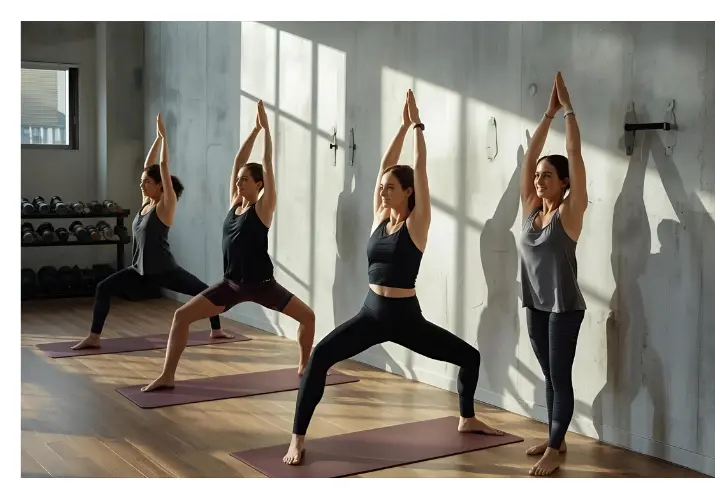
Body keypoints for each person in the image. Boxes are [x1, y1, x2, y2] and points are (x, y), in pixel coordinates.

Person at [282, 89, 504, 466]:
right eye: (382, 186)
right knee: (320, 356)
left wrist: (418, 127)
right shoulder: (380, 216)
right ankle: (297, 439)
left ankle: (466, 418)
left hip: (406, 319)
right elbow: (385, 164)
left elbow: (420, 168)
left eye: (390, 187)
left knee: (470, 357)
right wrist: (400, 127)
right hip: (371, 313)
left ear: (408, 193)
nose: (382, 190)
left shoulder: (417, 223)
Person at [142, 100, 315, 392]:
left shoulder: (264, 208)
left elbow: (268, 164)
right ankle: (168, 375)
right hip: (231, 285)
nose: (238, 183)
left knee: (308, 318)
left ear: (259, 184)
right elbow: (238, 161)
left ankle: (304, 365)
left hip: (262, 285)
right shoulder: (235, 203)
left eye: (245, 180)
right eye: (237, 180)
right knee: (181, 316)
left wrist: (268, 133)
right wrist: (254, 129)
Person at [72, 114, 230, 350]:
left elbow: (162, 166)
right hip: (139, 269)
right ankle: (94, 337)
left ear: (160, 185)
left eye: (147, 182)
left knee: (205, 292)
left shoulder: (166, 206)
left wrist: (165, 139)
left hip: (165, 270)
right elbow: (149, 165)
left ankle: (216, 330)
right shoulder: (146, 203)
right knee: (103, 287)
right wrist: (157, 139)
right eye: (143, 182)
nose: (142, 184)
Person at [519, 72, 588, 476]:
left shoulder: (569, 212)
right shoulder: (531, 208)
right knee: (549, 376)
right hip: (535, 304)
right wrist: (546, 115)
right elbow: (529, 158)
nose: (538, 178)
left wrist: (569, 111)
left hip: (564, 307)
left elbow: (575, 154)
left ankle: (555, 448)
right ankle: (554, 437)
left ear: (564, 184)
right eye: (538, 176)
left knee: (560, 377)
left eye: (548, 175)